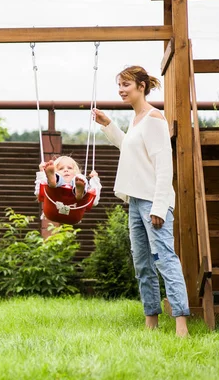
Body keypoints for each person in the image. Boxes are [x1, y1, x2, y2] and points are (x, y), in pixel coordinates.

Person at [92, 65, 189, 337]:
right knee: (142, 264)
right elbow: (129, 148)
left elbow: (163, 166)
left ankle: (181, 324)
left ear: (141, 86)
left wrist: (159, 207)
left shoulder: (155, 118)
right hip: (135, 202)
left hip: (153, 202)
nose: (121, 90)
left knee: (165, 260)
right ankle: (151, 322)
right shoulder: (136, 121)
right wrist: (108, 124)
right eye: (119, 86)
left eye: (126, 85)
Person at [34, 156, 102, 218]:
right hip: (53, 211)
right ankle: (53, 181)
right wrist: (42, 172)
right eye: (61, 168)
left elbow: (94, 200)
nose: (66, 170)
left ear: (75, 171)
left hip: (70, 215)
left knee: (81, 178)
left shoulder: (78, 179)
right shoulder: (48, 184)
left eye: (69, 168)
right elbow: (39, 192)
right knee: (52, 181)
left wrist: (95, 179)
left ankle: (79, 192)